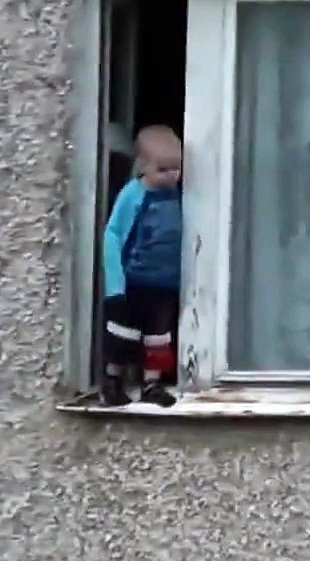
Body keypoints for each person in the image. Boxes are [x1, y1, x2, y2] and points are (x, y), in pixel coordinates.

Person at [100, 125, 183, 407]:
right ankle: (112, 381)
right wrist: (115, 287)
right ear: (142, 167)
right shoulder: (132, 195)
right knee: (123, 334)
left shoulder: (178, 196)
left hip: (165, 282)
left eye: (176, 168)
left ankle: (152, 383)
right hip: (134, 278)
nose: (171, 175)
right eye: (163, 169)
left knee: (158, 338)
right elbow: (112, 236)